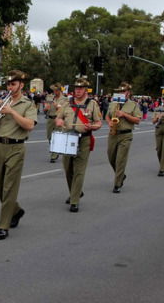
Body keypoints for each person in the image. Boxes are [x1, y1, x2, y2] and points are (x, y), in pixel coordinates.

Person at [0, 70, 37, 240]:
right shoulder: (4, 102)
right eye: (8, 84)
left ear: (21, 85)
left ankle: (3, 226)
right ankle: (16, 210)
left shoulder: (28, 104)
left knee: (9, 188)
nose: (10, 87)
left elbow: (29, 125)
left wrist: (11, 111)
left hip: (16, 148)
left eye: (13, 84)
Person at [56, 77, 102, 212]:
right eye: (76, 88)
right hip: (68, 138)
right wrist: (58, 121)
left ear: (86, 90)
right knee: (68, 168)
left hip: (83, 140)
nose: (77, 91)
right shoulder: (67, 103)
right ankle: (75, 192)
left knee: (79, 171)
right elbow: (59, 117)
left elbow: (98, 123)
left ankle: (74, 200)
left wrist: (92, 126)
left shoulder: (92, 104)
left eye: (80, 88)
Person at [105, 82, 141, 193]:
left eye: (123, 91)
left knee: (120, 160)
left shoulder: (133, 104)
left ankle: (117, 184)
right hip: (113, 133)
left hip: (126, 134)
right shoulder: (113, 103)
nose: (121, 93)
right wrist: (109, 121)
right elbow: (107, 115)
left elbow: (137, 120)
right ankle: (121, 175)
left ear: (128, 93)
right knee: (111, 158)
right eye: (119, 91)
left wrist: (124, 114)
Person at [45, 83, 68, 163]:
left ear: (59, 90)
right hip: (50, 119)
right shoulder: (50, 97)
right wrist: (46, 108)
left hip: (58, 119)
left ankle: (54, 155)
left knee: (57, 137)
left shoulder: (64, 99)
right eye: (54, 90)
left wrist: (56, 105)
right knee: (49, 137)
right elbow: (46, 108)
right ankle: (55, 150)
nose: (55, 92)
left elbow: (63, 109)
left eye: (56, 90)